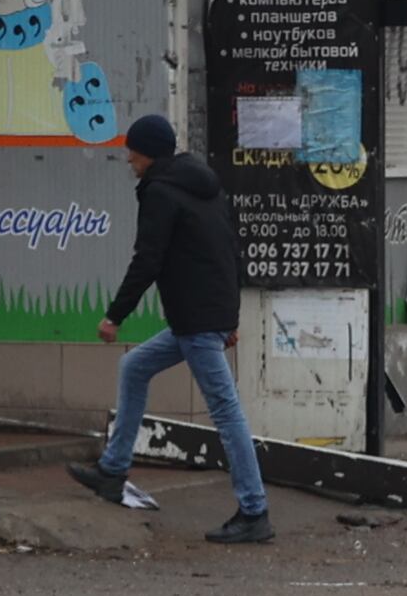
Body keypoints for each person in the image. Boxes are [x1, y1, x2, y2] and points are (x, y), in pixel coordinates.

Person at [70, 112, 268, 545]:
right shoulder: (204, 185)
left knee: (225, 411)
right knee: (135, 368)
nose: (128, 161)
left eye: (133, 153)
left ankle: (254, 510)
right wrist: (228, 319)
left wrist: (114, 316)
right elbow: (232, 251)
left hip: (197, 321)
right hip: (198, 317)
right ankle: (113, 470)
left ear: (148, 153)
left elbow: (148, 259)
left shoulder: (161, 192)